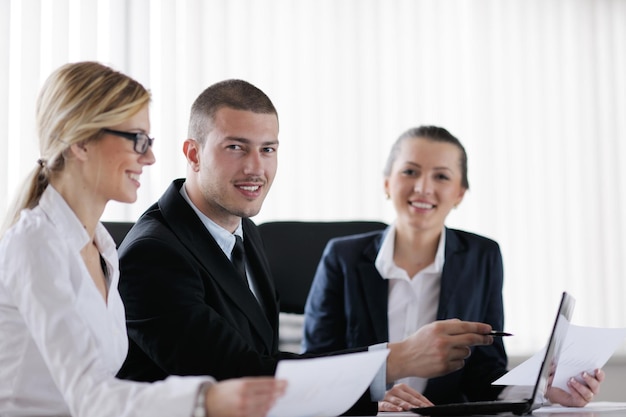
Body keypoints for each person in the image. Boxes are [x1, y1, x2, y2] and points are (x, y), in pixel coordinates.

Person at [115, 80, 496, 416]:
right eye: (236, 147)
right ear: (193, 154)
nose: (256, 168)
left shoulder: (244, 231)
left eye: (268, 149)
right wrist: (394, 360)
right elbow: (237, 373)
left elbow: (266, 360)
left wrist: (368, 401)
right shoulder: (153, 254)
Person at [0, 62, 286, 417]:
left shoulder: (101, 248)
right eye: (137, 140)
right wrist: (206, 399)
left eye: (148, 142)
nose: (149, 157)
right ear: (81, 143)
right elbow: (89, 396)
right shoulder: (37, 244)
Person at [301, 125, 605, 411]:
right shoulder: (343, 256)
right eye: (410, 171)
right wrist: (371, 400)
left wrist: (540, 390)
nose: (423, 188)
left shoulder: (482, 256)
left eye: (441, 177)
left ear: (460, 193)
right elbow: (316, 367)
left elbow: (484, 372)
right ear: (387, 183)